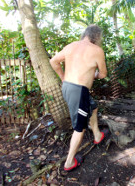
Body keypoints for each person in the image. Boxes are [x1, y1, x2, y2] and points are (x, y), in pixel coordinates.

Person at [49, 25, 108, 172]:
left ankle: (97, 135)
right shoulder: (97, 51)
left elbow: (53, 61)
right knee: (79, 128)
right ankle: (69, 162)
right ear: (97, 37)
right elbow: (103, 74)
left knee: (93, 107)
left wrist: (63, 77)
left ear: (85, 34)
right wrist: (93, 74)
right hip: (79, 91)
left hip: (68, 88)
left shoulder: (71, 46)